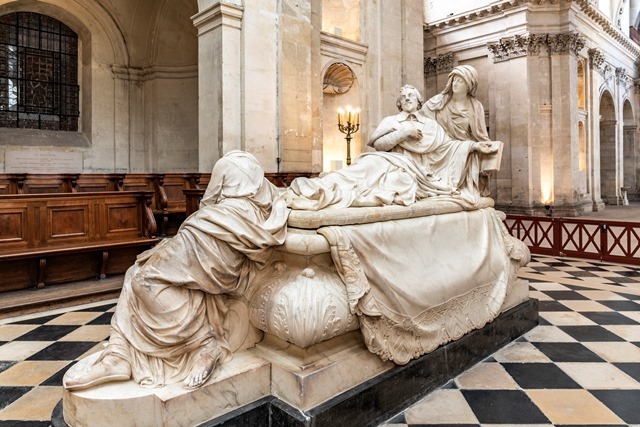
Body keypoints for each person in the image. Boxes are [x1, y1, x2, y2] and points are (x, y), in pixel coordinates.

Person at [63, 151, 289, 390]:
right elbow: (279, 197)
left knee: (143, 280)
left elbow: (208, 201)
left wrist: (204, 220)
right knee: (134, 273)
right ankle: (119, 355)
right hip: (225, 235)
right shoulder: (257, 175)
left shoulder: (227, 163)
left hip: (215, 233)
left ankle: (203, 343)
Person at [368, 84, 497, 205]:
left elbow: (449, 146)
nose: (407, 98)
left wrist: (473, 146)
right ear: (399, 103)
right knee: (364, 166)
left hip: (414, 173)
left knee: (399, 180)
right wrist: (404, 133)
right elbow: (379, 145)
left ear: (419, 101)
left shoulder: (431, 125)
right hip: (394, 164)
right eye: (403, 97)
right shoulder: (390, 121)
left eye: (411, 95)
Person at [422, 65, 503, 194]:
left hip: (464, 152)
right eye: (454, 80)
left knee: (471, 153)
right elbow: (420, 119)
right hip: (440, 147)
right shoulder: (438, 101)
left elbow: (480, 134)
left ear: (469, 85)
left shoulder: (476, 107)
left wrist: (484, 147)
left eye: (460, 81)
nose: (455, 84)